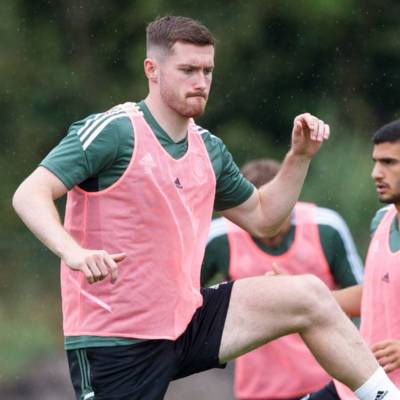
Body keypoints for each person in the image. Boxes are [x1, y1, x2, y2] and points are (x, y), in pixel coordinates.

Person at [12, 15, 400, 400]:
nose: (200, 82)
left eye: (207, 71)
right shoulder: (113, 131)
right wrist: (73, 252)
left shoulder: (208, 149)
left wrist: (299, 157)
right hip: (116, 340)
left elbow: (264, 218)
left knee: (308, 295)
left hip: (189, 319)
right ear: (152, 69)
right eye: (188, 70)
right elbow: (30, 194)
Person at [202, 158, 364, 400]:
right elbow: (185, 299)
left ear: (291, 198)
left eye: (277, 211)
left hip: (330, 385)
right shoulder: (218, 237)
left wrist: (300, 297)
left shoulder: (327, 227)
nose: (269, 224)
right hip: (259, 389)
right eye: (257, 214)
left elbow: (366, 300)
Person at [305, 120, 400, 400]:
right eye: (375, 162)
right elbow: (376, 293)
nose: (376, 173)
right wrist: (298, 296)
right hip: (358, 384)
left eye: (389, 163)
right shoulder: (382, 220)